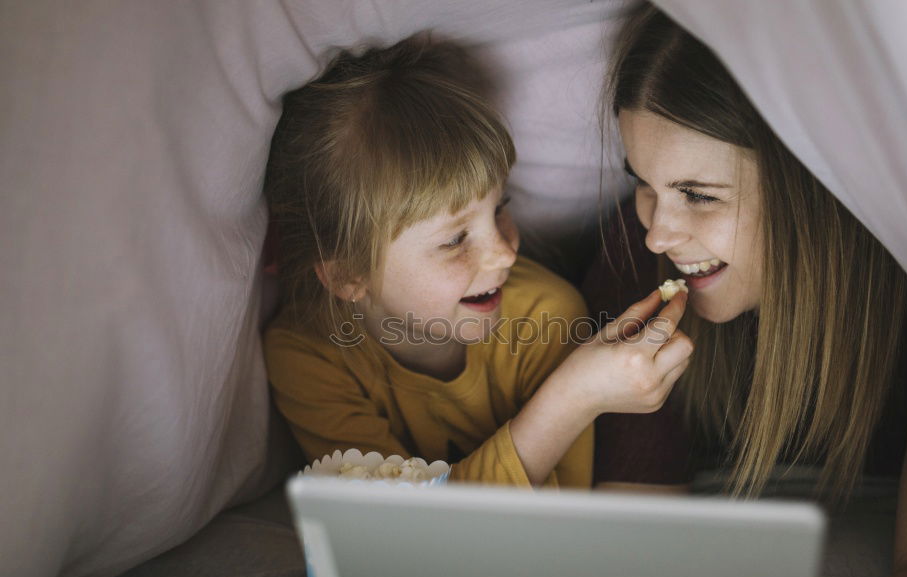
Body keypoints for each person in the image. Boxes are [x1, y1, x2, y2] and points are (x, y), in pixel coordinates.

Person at [498, 3, 907, 577]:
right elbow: (638, 532)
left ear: (812, 184)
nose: (658, 233)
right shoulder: (634, 265)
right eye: (643, 185)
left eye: (699, 194)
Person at [262, 35, 693, 489]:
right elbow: (398, 533)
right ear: (349, 275)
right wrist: (571, 397)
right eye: (455, 240)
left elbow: (549, 524)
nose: (505, 251)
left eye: (500, 208)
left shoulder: (547, 314)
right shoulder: (307, 355)